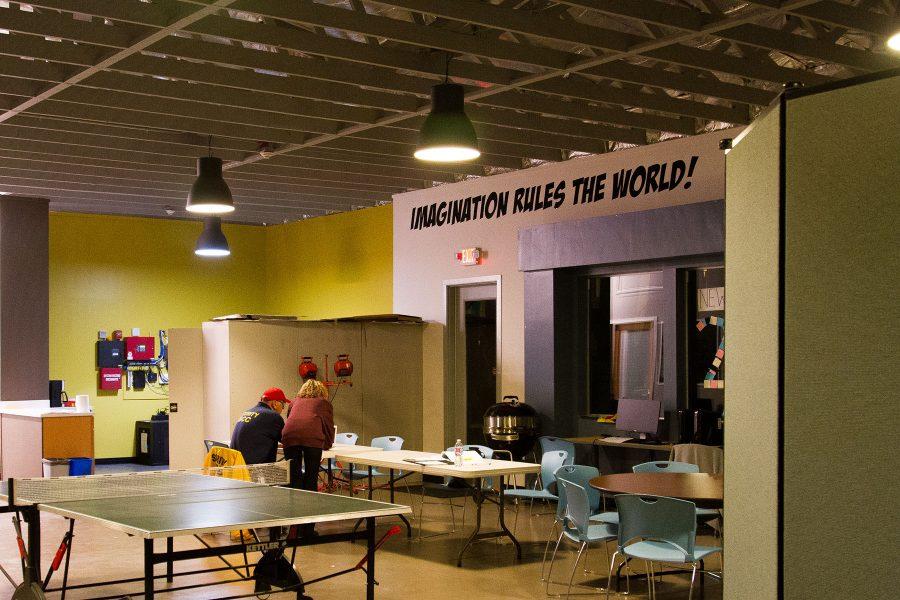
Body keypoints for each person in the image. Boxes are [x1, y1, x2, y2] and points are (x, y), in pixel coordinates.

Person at [281, 379, 335, 492]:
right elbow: (328, 426)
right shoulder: (323, 403)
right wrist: (327, 444)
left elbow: (291, 419)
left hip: (289, 437)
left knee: (294, 476)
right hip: (312, 438)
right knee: (311, 475)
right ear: (322, 391)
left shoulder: (294, 402)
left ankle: (294, 506)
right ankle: (309, 506)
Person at [230, 387, 289, 465]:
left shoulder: (247, 412)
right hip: (256, 471)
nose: (283, 409)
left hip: (237, 468)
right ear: (275, 403)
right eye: (283, 405)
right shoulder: (273, 416)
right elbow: (288, 441)